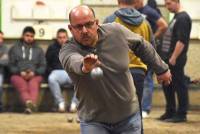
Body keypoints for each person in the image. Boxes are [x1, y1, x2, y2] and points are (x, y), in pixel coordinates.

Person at [59, 5, 171, 134]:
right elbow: (72, 60)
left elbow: (141, 44)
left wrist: (161, 68)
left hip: (128, 117)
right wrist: (84, 66)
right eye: (78, 27)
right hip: (93, 121)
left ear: (96, 23)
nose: (84, 30)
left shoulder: (116, 32)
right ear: (70, 29)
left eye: (89, 24)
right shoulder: (67, 50)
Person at [104, 0, 155, 112]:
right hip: (139, 73)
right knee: (137, 112)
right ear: (136, 2)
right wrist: (146, 70)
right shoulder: (145, 23)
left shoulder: (110, 21)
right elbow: (151, 51)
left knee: (117, 113)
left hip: (117, 74)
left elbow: (102, 49)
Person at [132, 0, 168, 118]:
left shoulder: (149, 11)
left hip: (147, 51)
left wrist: (150, 38)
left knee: (147, 80)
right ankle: (136, 108)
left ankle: (145, 109)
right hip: (136, 51)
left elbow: (163, 25)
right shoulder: (135, 11)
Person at [159, 0, 192, 123]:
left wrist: (173, 57)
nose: (167, 7)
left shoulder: (183, 18)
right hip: (168, 58)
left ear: (176, 2)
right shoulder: (176, 17)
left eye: (169, 3)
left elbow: (181, 41)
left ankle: (181, 114)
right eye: (166, 4)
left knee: (179, 85)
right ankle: (170, 111)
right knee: (168, 85)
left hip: (175, 59)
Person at [9, 26, 46, 114]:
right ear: (23, 36)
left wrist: (34, 72)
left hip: (35, 75)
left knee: (33, 84)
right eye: (27, 35)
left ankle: (29, 105)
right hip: (18, 75)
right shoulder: (14, 48)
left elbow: (43, 66)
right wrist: (19, 72)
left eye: (31, 36)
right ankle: (30, 103)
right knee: (21, 84)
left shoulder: (39, 50)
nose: (29, 38)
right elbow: (10, 65)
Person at [46, 28, 77, 112]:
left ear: (67, 37)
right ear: (57, 38)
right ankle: (60, 103)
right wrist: (51, 71)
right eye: (60, 37)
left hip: (72, 72)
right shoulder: (52, 48)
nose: (62, 39)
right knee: (51, 78)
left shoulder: (74, 46)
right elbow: (47, 63)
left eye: (64, 37)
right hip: (57, 72)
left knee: (84, 79)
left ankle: (74, 104)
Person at [0, 31, 8, 112]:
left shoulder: (4, 48)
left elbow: (5, 61)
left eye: (2, 38)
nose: (1, 40)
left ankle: (0, 106)